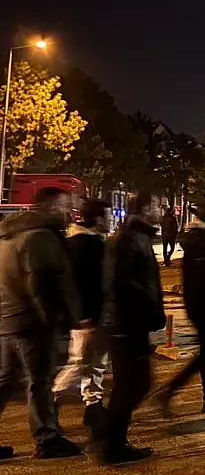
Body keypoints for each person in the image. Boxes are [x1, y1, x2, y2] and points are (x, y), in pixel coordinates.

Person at [0, 187, 82, 460]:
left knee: (5, 380)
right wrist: (54, 321)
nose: (69, 212)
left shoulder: (9, 236)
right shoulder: (40, 238)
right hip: (32, 324)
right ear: (49, 207)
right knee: (39, 382)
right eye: (64, 206)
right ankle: (47, 439)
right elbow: (42, 284)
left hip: (8, 321)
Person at [96, 191, 164, 464]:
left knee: (133, 383)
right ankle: (110, 443)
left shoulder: (139, 237)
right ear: (146, 208)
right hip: (125, 324)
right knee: (132, 384)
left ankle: (111, 438)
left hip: (130, 322)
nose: (162, 210)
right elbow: (120, 283)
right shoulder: (128, 239)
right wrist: (142, 311)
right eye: (158, 205)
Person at [158, 201, 205, 414]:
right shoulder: (201, 240)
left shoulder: (204, 237)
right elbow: (202, 280)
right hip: (204, 308)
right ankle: (175, 391)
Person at [54, 199, 111, 428]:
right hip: (87, 315)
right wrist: (83, 314)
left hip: (93, 313)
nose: (110, 221)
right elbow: (80, 284)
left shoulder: (88, 242)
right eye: (107, 216)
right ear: (97, 219)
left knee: (95, 362)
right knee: (80, 362)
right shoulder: (84, 245)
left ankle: (93, 406)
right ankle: (51, 399)